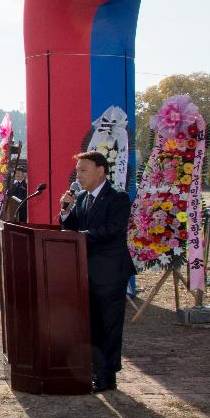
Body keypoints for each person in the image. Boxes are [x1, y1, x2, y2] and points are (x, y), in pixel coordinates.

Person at [59, 150, 135, 393]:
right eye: (77, 170)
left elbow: (112, 230)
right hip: (86, 272)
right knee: (90, 324)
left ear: (100, 171)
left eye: (84, 170)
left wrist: (81, 237)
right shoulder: (81, 198)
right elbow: (71, 226)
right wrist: (66, 211)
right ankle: (93, 369)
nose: (78, 175)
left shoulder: (117, 198)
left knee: (108, 325)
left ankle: (107, 376)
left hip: (110, 273)